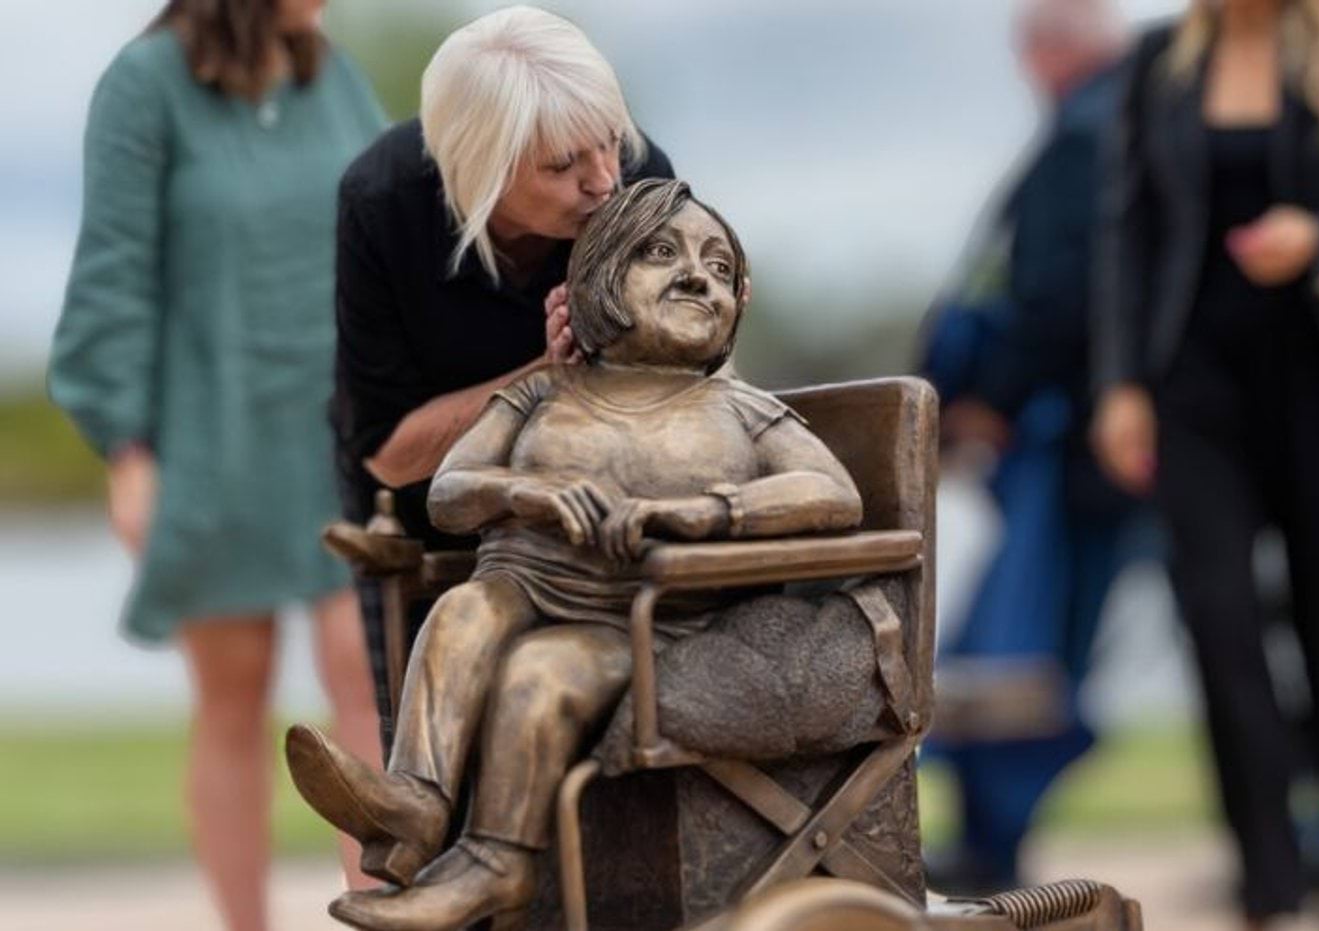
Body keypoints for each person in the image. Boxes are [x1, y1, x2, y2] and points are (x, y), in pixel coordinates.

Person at [289, 178, 865, 931]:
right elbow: (450, 491)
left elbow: (833, 492)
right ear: (597, 276)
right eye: (662, 252)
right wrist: (525, 491)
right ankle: (415, 803)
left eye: (720, 267)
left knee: (543, 669)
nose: (697, 274)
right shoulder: (541, 395)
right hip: (523, 585)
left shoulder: (738, 407)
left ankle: (497, 867)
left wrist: (705, 511)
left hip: (654, 623)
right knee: (465, 608)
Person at [48, 1, 387, 928]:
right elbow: (114, 271)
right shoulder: (144, 87)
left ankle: (381, 913)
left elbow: (392, 228)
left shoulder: (331, 76)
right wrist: (129, 451)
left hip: (340, 430)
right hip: (214, 434)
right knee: (234, 699)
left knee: (365, 671)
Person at [1090, 1, 1319, 928]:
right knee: (1219, 624)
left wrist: (1318, 237)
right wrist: (1120, 384)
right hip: (1195, 383)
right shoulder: (1161, 59)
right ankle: (1270, 885)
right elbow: (1127, 226)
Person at [327, 6, 675, 745]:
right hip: (424, 517)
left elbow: (690, 383)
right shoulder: (382, 206)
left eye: (607, 141)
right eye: (561, 165)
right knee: (429, 747)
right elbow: (390, 453)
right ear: (478, 163)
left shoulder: (638, 178)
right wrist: (543, 375)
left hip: (600, 508)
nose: (603, 182)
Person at [917, 0, 1136, 893]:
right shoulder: (1118, 126)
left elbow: (1057, 298)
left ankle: (993, 845)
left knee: (1021, 651)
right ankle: (994, 843)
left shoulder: (1083, 137)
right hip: (1098, 442)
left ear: (1051, 50)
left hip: (1067, 441)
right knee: (1034, 652)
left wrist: (993, 398)